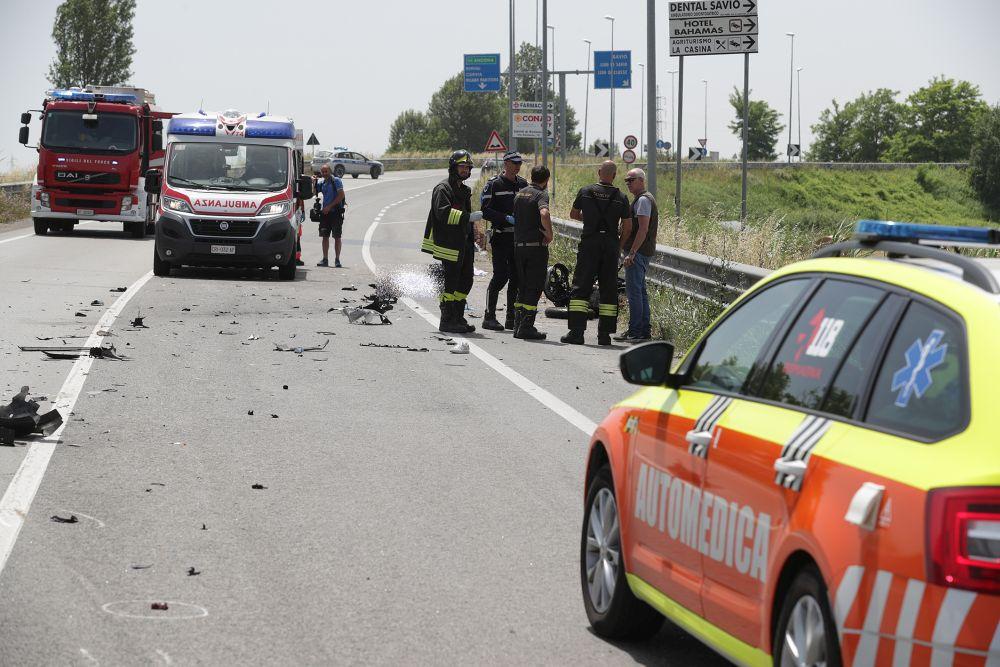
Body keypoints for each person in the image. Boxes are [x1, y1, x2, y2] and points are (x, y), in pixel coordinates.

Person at [561, 160, 631, 346]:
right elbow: (628, 226)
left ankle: (576, 333)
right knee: (608, 289)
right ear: (614, 176)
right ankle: (604, 335)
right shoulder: (621, 197)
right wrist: (619, 245)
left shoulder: (585, 191)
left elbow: (573, 214)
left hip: (590, 243)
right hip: (610, 246)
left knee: (581, 286)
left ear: (599, 172)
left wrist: (590, 218)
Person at [421, 150, 483, 334]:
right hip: (448, 244)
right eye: (462, 166)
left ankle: (458, 316)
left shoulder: (463, 189)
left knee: (466, 281)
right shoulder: (443, 189)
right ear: (453, 167)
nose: (465, 170)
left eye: (468, 167)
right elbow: (443, 213)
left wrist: (474, 233)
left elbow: (466, 219)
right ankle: (447, 320)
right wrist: (468, 217)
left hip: (463, 243)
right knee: (451, 283)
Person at [480, 150, 527, 331]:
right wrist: (505, 218)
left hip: (518, 237)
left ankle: (511, 318)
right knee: (501, 276)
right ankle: (489, 316)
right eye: (514, 163)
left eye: (519, 164)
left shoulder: (523, 184)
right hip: (501, 236)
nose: (517, 167)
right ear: (506, 164)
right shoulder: (494, 185)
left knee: (516, 277)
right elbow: (485, 210)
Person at [615, 168, 658, 342]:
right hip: (640, 251)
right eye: (626, 181)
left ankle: (636, 332)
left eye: (631, 180)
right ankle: (643, 330)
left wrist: (631, 252)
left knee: (634, 293)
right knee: (640, 292)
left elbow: (643, 228)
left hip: (638, 252)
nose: (628, 183)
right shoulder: (642, 199)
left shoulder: (643, 201)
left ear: (641, 180)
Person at [511, 165, 553, 340]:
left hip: (518, 246)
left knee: (522, 286)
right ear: (546, 180)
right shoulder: (541, 194)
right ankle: (526, 327)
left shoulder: (520, 194)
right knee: (534, 287)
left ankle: (517, 325)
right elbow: (544, 213)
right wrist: (549, 234)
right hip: (535, 247)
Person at [315, 163, 345, 267]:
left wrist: (330, 206)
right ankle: (325, 259)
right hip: (325, 214)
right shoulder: (322, 183)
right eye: (322, 172)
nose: (324, 174)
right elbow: (314, 192)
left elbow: (341, 195)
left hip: (335, 212)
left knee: (337, 237)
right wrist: (313, 181)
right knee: (325, 236)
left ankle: (337, 260)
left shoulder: (336, 181)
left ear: (330, 171)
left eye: (326, 171)